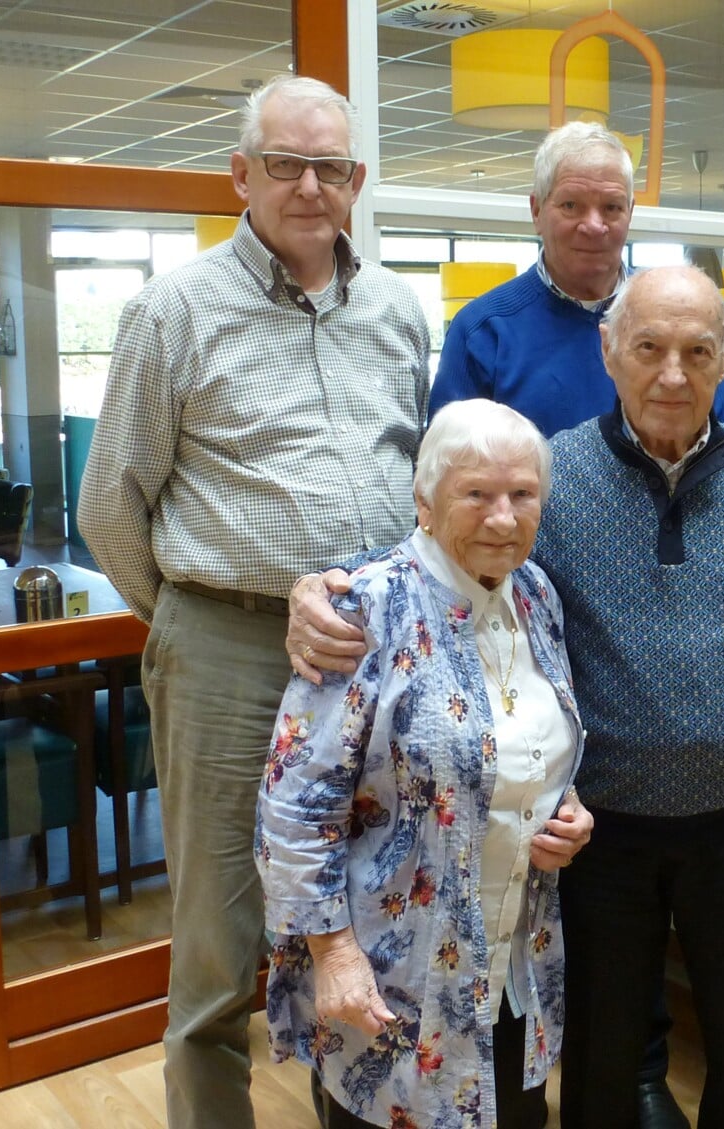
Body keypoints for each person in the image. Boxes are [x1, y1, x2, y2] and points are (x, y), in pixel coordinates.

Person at [289, 265, 724, 1128]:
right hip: (593, 835)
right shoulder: (554, 477)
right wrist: (324, 586)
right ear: (609, 353)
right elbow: (443, 553)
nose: (672, 374)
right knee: (599, 1049)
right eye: (648, 348)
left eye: (697, 353)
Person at [77, 74, 429, 1129]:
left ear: (356, 182)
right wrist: (197, 617)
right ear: (241, 173)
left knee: (362, 916)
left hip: (370, 659)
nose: (310, 187)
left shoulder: (399, 311)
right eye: (286, 164)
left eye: (332, 168)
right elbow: (110, 508)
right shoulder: (172, 310)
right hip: (227, 654)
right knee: (222, 945)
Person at [257, 399, 592, 1129]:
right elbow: (293, 804)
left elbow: (527, 746)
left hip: (507, 960)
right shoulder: (363, 609)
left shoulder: (535, 594)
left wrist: (563, 810)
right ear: (424, 499)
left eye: (522, 495)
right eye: (476, 493)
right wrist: (333, 951)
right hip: (390, 976)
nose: (503, 518)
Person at [428, 121, 724, 440]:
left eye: (611, 208)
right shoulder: (483, 333)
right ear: (536, 211)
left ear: (630, 213)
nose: (594, 225)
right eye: (571, 205)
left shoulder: (683, 323)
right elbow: (448, 474)